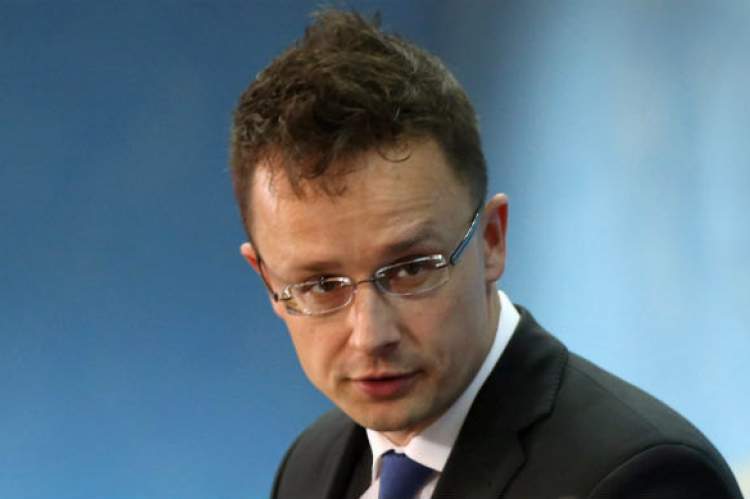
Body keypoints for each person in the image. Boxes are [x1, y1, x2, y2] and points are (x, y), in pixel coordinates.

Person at [229, 9, 744, 499]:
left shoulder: (643, 480)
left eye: (411, 269)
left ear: (492, 240)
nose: (371, 336)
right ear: (267, 280)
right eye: (321, 285)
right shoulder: (309, 465)